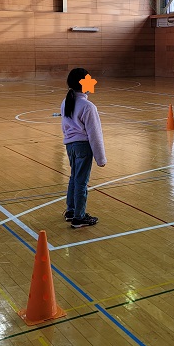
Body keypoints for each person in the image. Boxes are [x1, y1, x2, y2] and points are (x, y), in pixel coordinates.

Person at [62, 67, 106, 228]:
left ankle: (71, 210)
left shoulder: (66, 102)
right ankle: (79, 217)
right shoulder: (88, 106)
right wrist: (101, 158)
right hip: (83, 147)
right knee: (81, 182)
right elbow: (95, 134)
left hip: (70, 146)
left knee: (74, 178)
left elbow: (65, 127)